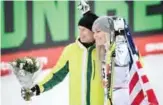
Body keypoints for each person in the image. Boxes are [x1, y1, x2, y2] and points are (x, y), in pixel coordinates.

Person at [21, 11, 108, 105]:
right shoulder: (70, 51)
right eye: (79, 29)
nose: (80, 33)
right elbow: (56, 75)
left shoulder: (105, 51)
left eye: (84, 30)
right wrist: (38, 88)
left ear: (93, 31)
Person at [92, 16, 130, 105]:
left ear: (108, 32)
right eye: (94, 32)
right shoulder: (104, 51)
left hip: (122, 98)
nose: (95, 35)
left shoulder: (120, 49)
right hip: (109, 98)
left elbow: (122, 58)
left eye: (98, 31)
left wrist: (119, 35)